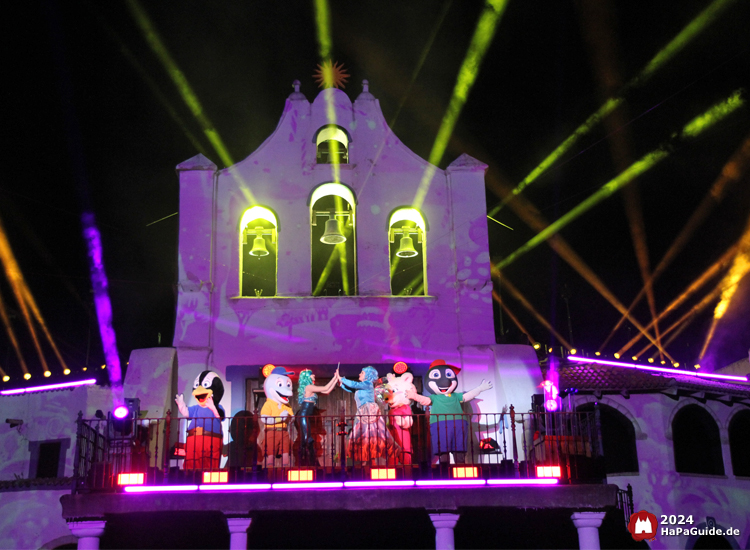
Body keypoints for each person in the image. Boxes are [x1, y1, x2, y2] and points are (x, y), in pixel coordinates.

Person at [340, 366, 398, 465]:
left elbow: (354, 384)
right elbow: (353, 389)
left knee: (369, 435)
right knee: (363, 436)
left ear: (367, 375)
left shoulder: (367, 384)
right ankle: (367, 459)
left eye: (361, 373)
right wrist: (341, 384)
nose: (359, 374)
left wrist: (341, 378)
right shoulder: (363, 386)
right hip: (363, 411)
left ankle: (370, 459)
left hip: (368, 411)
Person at [296, 368, 340, 465]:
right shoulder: (309, 387)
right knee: (307, 439)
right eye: (311, 374)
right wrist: (335, 377)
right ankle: (307, 460)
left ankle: (308, 460)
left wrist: (336, 378)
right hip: (303, 416)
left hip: (306, 416)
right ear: (307, 377)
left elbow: (327, 391)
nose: (314, 375)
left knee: (307, 439)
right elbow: (325, 388)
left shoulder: (311, 388)